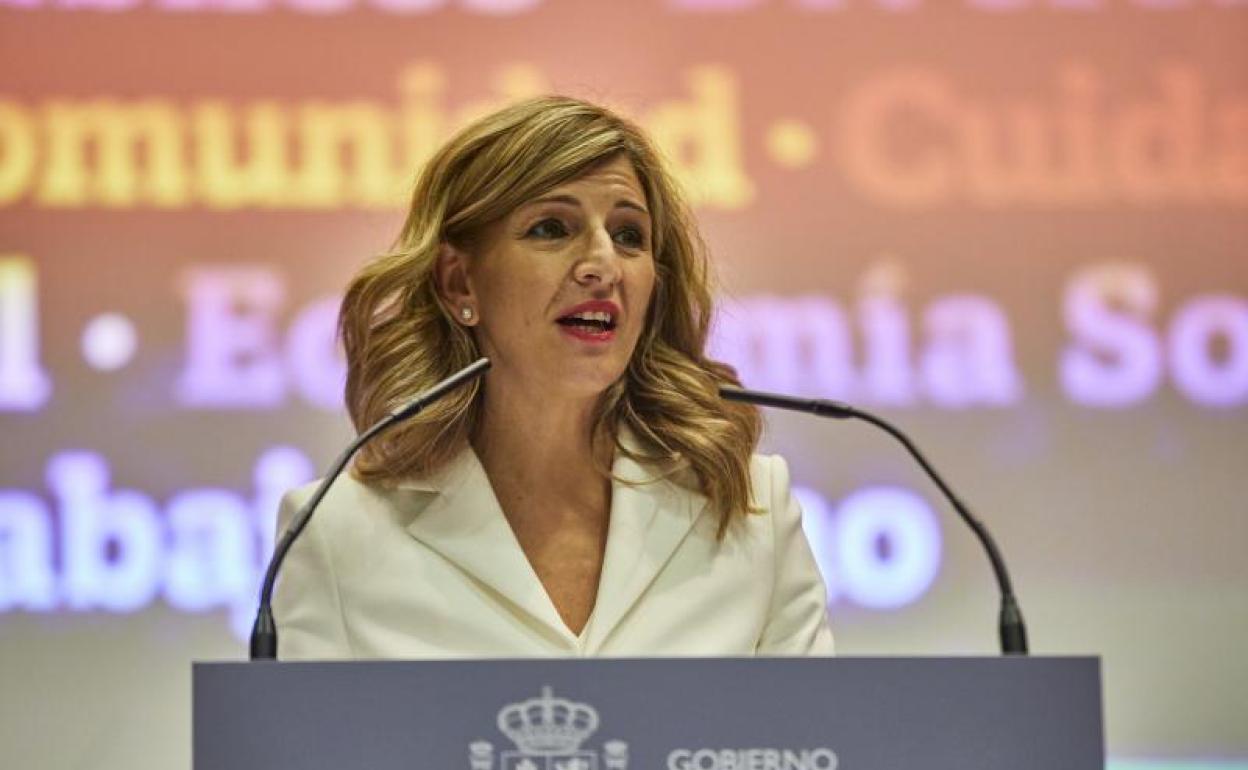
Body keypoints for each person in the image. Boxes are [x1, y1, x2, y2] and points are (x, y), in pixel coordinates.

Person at [273, 96, 834, 659]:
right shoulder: (333, 534)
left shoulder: (752, 511)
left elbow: (819, 720)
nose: (603, 265)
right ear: (459, 283)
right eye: (552, 228)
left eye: (629, 235)